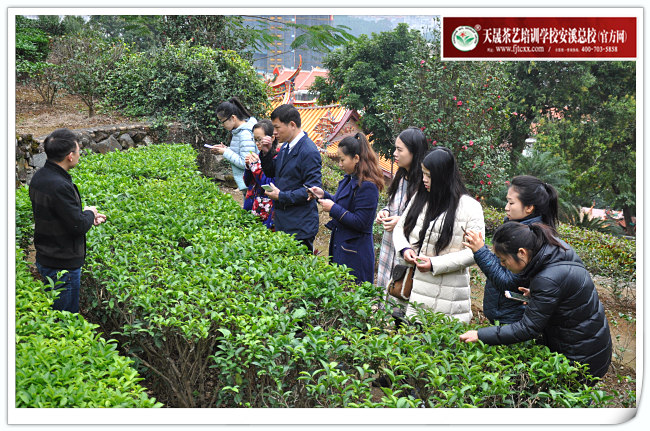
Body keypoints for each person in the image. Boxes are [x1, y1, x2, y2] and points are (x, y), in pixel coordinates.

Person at [459, 222, 612, 380]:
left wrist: (481, 335)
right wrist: (538, 295)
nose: (502, 264)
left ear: (522, 253)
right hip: (591, 345)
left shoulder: (548, 278)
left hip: (582, 358)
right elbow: (566, 289)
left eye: (503, 260)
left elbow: (527, 328)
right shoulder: (556, 250)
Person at [392, 147, 485, 323]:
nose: (424, 180)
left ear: (443, 176)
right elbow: (400, 228)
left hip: (446, 301)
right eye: (423, 174)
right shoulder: (420, 197)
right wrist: (404, 249)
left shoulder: (470, 208)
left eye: (429, 175)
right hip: (410, 294)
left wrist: (434, 264)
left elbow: (474, 252)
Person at [29, 128, 107, 313]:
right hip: (62, 265)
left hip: (47, 256)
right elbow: (77, 226)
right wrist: (88, 213)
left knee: (54, 312)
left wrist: (86, 217)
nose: (80, 155)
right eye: (79, 151)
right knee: (65, 318)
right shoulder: (60, 185)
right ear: (70, 156)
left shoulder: (40, 177)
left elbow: (59, 214)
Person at [465, 176, 559, 324]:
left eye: (511, 202)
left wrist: (481, 251)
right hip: (503, 314)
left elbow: (508, 282)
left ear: (529, 207)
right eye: (507, 201)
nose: (506, 207)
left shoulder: (531, 237)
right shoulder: (515, 226)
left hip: (514, 320)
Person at [308, 133, 384, 283]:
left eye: (342, 160)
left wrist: (333, 208)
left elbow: (361, 222)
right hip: (341, 247)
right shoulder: (349, 179)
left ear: (356, 158)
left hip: (355, 253)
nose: (340, 164)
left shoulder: (368, 186)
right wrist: (323, 195)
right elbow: (341, 204)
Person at [258, 104, 322, 251]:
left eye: (277, 127)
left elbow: (312, 190)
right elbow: (272, 172)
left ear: (292, 124)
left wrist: (281, 196)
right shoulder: (286, 147)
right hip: (283, 219)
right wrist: (267, 153)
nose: (274, 132)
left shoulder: (308, 151)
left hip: (300, 224)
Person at [375, 127, 429, 292]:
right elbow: (393, 205)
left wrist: (401, 221)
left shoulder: (425, 184)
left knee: (401, 295)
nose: (395, 153)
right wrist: (385, 212)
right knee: (385, 293)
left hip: (407, 250)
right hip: (388, 246)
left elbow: (427, 219)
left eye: (399, 149)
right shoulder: (400, 176)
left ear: (414, 152)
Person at [210, 97, 257, 204]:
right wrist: (226, 149)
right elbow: (242, 152)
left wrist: (225, 152)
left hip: (250, 183)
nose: (222, 125)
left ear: (233, 118)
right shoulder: (238, 132)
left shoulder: (245, 134)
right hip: (247, 183)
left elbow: (245, 163)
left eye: (223, 122)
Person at [243, 120, 277, 230]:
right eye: (255, 140)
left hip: (267, 209)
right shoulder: (257, 155)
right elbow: (247, 182)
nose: (258, 143)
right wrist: (248, 167)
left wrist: (256, 167)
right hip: (253, 204)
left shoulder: (277, 158)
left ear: (272, 138)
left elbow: (269, 184)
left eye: (260, 139)